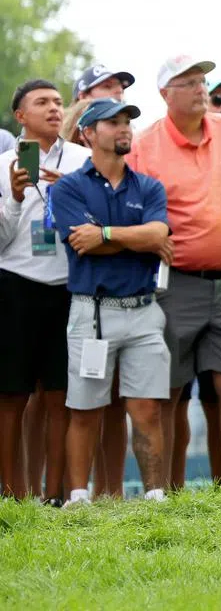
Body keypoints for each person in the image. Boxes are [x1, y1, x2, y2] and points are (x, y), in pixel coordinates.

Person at [126, 55, 221, 487]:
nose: (201, 88)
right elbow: (134, 210)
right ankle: (163, 491)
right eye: (188, 82)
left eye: (202, 80)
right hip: (173, 281)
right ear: (165, 94)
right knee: (168, 390)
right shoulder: (145, 145)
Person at [50, 98, 174, 505]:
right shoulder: (68, 186)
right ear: (87, 134)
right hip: (92, 312)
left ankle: (155, 496)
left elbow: (158, 234)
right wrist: (136, 238)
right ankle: (78, 496)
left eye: (127, 122)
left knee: (148, 411)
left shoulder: (149, 186)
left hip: (143, 312)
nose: (124, 128)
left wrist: (104, 234)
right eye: (112, 123)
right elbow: (80, 244)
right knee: (85, 410)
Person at [0, 80, 90, 503]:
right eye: (42, 103)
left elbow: (95, 220)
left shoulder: (83, 161)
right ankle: (12, 495)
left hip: (68, 287)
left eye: (58, 101)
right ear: (21, 116)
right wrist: (16, 198)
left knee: (60, 396)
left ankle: (55, 495)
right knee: (11, 396)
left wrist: (68, 193)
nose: (54, 108)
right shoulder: (4, 165)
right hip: (15, 285)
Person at [66, 64, 137, 498]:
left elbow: (147, 228)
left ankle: (107, 493)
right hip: (58, 284)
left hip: (118, 290)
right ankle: (61, 489)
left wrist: (117, 235)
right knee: (66, 396)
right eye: (105, 89)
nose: (115, 95)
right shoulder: (64, 159)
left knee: (114, 397)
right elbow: (81, 237)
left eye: (121, 90)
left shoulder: (128, 156)